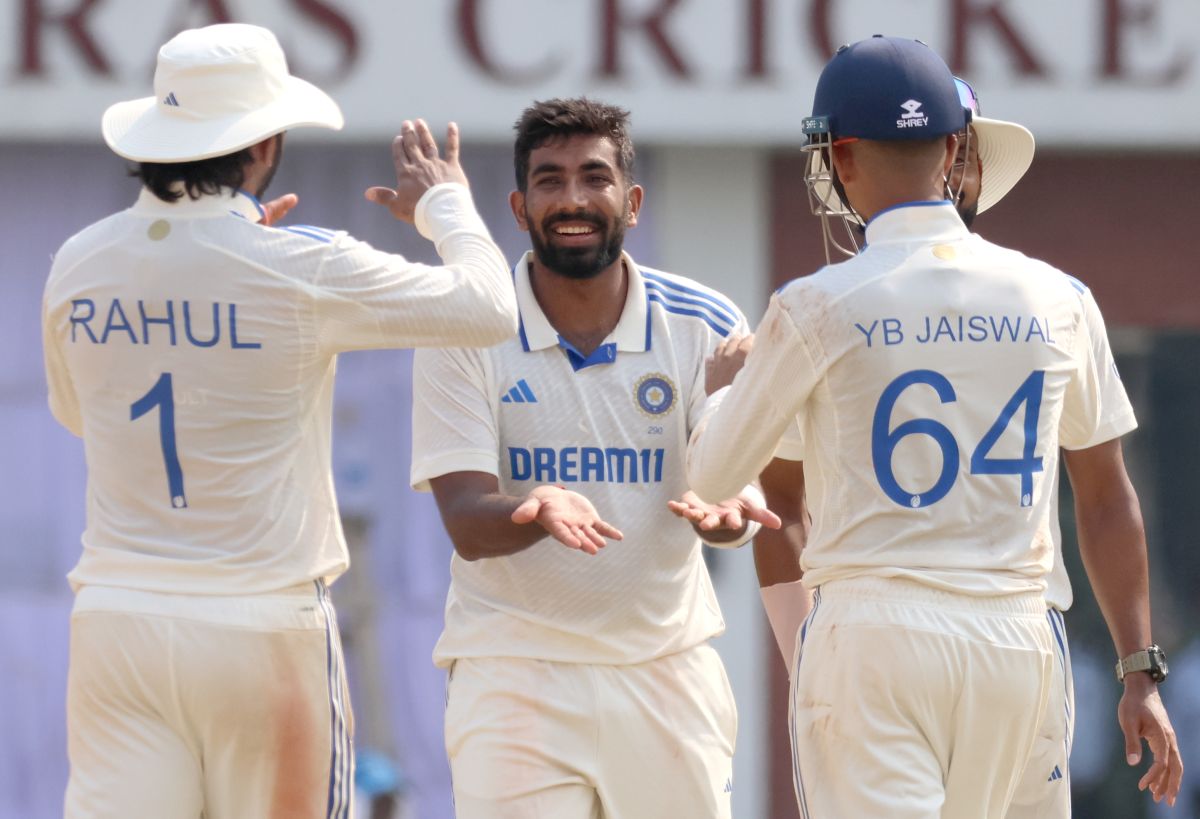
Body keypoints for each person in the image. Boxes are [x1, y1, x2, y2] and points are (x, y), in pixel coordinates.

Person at [686, 35, 1182, 816]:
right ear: (954, 148)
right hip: (1021, 638)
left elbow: (713, 479)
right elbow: (1106, 497)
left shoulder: (815, 303)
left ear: (840, 157)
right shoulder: (1059, 296)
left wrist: (721, 389)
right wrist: (1138, 669)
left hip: (875, 635)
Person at [41, 22, 518, 819]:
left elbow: (82, 415)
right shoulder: (299, 266)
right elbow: (489, 304)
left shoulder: (78, 259)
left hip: (117, 620)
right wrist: (446, 205)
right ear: (262, 146)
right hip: (260, 628)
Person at [408, 97, 779, 819]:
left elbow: (732, 499)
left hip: (666, 671)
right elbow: (464, 519)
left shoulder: (703, 321)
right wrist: (533, 506)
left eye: (593, 177)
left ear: (632, 200)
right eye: (549, 180)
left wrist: (729, 514)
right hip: (514, 674)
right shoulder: (468, 327)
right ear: (519, 207)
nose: (572, 199)